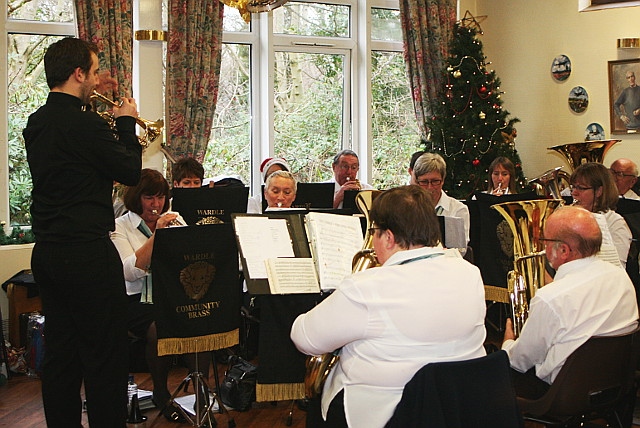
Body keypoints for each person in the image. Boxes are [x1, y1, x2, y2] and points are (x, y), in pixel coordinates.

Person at [290, 185, 487, 428]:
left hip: (382, 415)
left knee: (318, 404)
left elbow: (305, 339)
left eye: (374, 231)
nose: (372, 239)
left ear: (389, 237)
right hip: (454, 409)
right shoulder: (470, 273)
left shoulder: (367, 286)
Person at [22, 37, 142, 427]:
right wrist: (126, 122)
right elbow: (129, 172)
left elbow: (76, 159)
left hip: (49, 254)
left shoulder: (37, 122)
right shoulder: (88, 123)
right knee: (104, 356)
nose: (95, 79)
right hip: (88, 254)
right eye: (91, 72)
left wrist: (93, 101)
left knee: (61, 355)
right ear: (77, 74)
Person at [502, 206, 638, 399]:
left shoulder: (551, 297)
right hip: (612, 387)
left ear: (564, 250)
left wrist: (508, 343)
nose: (542, 247)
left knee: (495, 370)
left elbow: (519, 362)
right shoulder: (621, 278)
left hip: (561, 394)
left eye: (544, 241)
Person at [111, 169, 214, 422]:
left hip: (171, 294)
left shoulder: (175, 218)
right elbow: (130, 271)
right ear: (137, 198)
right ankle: (160, 391)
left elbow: (193, 258)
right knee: (159, 328)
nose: (156, 205)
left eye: (160, 198)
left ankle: (202, 394)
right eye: (149, 198)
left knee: (200, 319)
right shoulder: (120, 227)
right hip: (136, 300)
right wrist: (158, 235)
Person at [570, 162, 632, 267]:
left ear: (599, 191)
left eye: (581, 188)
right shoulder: (570, 218)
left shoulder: (615, 222)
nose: (574, 193)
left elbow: (617, 267)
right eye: (573, 187)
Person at [412, 152, 470, 243]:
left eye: (435, 181)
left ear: (443, 180)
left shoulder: (458, 210)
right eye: (424, 182)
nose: (430, 187)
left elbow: (460, 249)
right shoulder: (408, 208)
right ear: (416, 181)